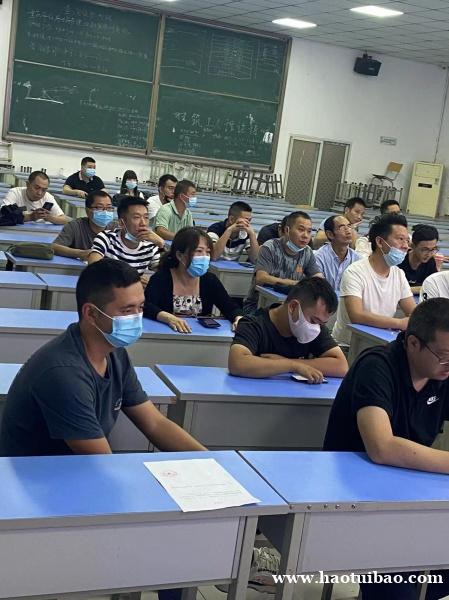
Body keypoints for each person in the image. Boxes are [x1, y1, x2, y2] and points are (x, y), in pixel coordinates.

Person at [0, 259, 206, 457]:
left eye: (141, 307)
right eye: (127, 310)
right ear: (91, 313)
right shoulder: (63, 373)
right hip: (39, 476)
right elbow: (100, 459)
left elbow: (155, 423)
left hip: (76, 468)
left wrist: (210, 460)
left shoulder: (114, 352)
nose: (137, 317)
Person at [324, 299, 449, 600]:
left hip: (409, 495)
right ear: (413, 343)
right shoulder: (376, 366)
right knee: (399, 588)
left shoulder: (441, 374)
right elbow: (382, 447)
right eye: (444, 356)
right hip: (353, 501)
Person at [229, 278, 348, 382]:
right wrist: (292, 365)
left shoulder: (316, 327)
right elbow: (237, 363)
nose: (316, 327)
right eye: (313, 320)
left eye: (321, 323)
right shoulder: (253, 324)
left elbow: (341, 367)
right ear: (293, 307)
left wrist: (290, 363)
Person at [332, 214, 416, 347]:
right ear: (380, 242)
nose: (405, 246)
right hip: (348, 346)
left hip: (380, 345)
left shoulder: (398, 274)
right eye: (400, 239)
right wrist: (399, 323)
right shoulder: (355, 272)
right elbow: (356, 315)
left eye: (407, 241)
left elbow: (414, 313)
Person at [144, 227, 243, 333]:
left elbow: (230, 307)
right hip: (167, 335)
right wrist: (167, 317)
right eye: (199, 251)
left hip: (201, 336)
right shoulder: (161, 279)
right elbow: (146, 307)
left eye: (207, 252)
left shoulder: (209, 280)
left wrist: (238, 318)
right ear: (180, 255)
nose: (204, 257)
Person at [243, 211, 323, 316]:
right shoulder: (270, 247)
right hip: (259, 306)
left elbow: (318, 278)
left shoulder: (307, 252)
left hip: (291, 306)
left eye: (309, 231)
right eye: (301, 230)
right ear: (287, 230)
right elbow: (261, 278)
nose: (305, 236)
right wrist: (292, 283)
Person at [89, 196, 164, 287]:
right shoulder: (106, 238)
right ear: (121, 223)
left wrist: (161, 245)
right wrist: (131, 281)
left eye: (146, 217)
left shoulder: (150, 246)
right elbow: (93, 269)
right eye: (136, 217)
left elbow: (165, 274)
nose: (143, 223)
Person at [52, 190, 114, 260]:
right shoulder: (75, 226)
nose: (105, 212)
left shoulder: (115, 228)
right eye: (99, 207)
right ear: (87, 211)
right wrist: (80, 253)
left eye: (109, 208)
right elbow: (54, 247)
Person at [3, 170, 69, 224]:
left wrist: (49, 217)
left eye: (44, 190)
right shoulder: (15, 193)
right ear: (28, 184)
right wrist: (30, 217)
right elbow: (3, 217)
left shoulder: (48, 197)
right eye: (36, 188)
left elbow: (64, 220)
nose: (39, 193)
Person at [314, 215, 360, 291]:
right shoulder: (318, 257)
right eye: (342, 227)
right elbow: (318, 288)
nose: (348, 231)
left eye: (349, 226)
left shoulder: (357, 259)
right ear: (330, 234)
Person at [399, 224, 440, 294]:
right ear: (412, 246)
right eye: (424, 249)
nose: (429, 254)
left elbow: (435, 286)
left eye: (433, 249)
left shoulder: (430, 262)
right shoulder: (399, 260)